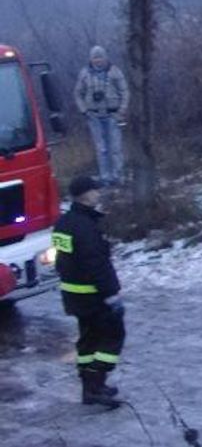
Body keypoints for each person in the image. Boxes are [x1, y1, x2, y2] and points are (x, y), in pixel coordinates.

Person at [52, 176, 125, 409]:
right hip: (94, 296)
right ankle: (96, 385)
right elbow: (96, 264)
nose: (98, 194)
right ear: (85, 194)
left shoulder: (64, 223)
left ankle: (90, 389)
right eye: (95, 190)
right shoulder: (85, 227)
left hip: (74, 296)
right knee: (113, 336)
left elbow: (63, 261)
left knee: (88, 341)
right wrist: (111, 294)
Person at [74, 46, 129, 186]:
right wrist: (84, 111)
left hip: (113, 115)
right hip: (94, 117)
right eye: (95, 57)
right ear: (90, 59)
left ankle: (119, 176)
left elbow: (125, 92)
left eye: (100, 57)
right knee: (102, 149)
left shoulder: (115, 71)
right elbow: (78, 94)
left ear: (106, 57)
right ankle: (105, 177)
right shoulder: (84, 74)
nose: (98, 60)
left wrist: (122, 110)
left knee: (115, 148)